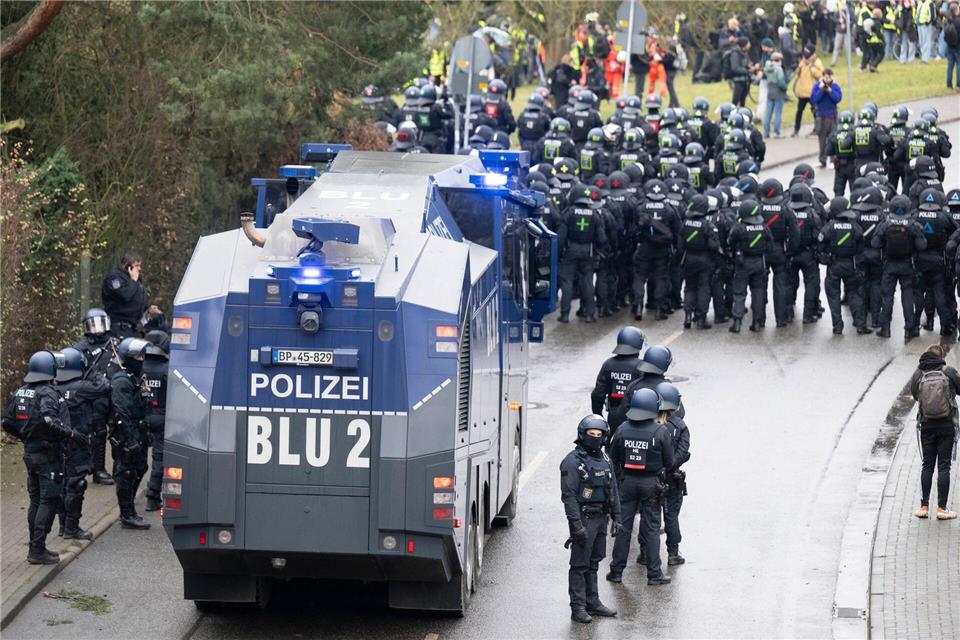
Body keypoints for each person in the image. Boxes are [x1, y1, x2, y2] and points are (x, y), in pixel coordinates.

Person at [2, 351, 88, 564]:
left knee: (36, 500)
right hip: (48, 455)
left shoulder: (21, 391)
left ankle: (36, 547)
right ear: (50, 369)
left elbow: (7, 422)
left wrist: (25, 436)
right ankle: (37, 549)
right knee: (48, 500)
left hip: (30, 453)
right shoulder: (48, 393)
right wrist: (72, 435)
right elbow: (51, 421)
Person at [606, 388, 675, 585]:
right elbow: (669, 462)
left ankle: (616, 572)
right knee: (651, 529)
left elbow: (612, 456)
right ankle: (654, 574)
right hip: (651, 484)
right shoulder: (660, 431)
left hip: (627, 483)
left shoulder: (622, 429)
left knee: (623, 527)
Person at [560, 414, 621, 624]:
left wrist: (617, 516)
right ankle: (577, 606)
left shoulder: (605, 460)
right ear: (582, 434)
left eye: (599, 434)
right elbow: (568, 497)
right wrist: (576, 525)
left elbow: (613, 488)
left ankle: (592, 602)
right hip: (584, 518)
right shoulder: (572, 462)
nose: (595, 437)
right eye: (591, 434)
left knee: (594, 562)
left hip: (601, 517)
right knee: (580, 565)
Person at [55, 347, 110, 540]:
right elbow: (105, 387)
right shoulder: (81, 387)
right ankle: (72, 528)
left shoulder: (53, 388)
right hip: (77, 443)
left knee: (63, 484)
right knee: (76, 484)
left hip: (59, 443)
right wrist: (94, 373)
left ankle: (63, 526)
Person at [909, 344, 959, 519]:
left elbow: (915, 395)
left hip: (926, 425)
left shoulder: (918, 373)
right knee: (944, 466)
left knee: (927, 465)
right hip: (947, 425)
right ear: (941, 356)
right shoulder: (948, 371)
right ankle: (941, 509)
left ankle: (923, 507)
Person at [110, 337, 153, 529]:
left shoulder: (136, 378)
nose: (142, 359)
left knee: (140, 468)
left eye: (143, 356)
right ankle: (126, 514)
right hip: (126, 434)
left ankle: (130, 510)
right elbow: (121, 412)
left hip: (139, 431)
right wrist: (129, 439)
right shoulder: (122, 381)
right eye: (138, 356)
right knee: (126, 473)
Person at [71, 308, 117, 486]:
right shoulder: (80, 348)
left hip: (114, 393)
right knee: (97, 433)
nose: (97, 328)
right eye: (93, 324)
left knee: (118, 431)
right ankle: (97, 469)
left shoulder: (115, 343)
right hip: (93, 396)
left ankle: (120, 469)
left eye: (100, 324)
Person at [874, 194, 928, 338]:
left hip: (889, 265)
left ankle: (885, 329)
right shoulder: (913, 224)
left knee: (887, 297)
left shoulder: (885, 224)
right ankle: (909, 329)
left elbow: (875, 243)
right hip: (907, 265)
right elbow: (922, 246)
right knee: (908, 296)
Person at [818, 197, 871, 334]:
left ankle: (837, 326)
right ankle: (860, 325)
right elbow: (861, 248)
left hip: (834, 265)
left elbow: (820, 247)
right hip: (851, 265)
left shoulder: (829, 227)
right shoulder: (855, 227)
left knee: (833, 296)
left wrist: (826, 259)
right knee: (854, 294)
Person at [558, 186, 606, 323]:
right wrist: (597, 251)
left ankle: (565, 315)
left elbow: (561, 237)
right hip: (588, 251)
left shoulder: (568, 212)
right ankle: (590, 314)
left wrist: (559, 254)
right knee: (587, 282)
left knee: (567, 282)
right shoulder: (595, 214)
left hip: (570, 250)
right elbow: (602, 238)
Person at [654, 382, 689, 566]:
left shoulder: (644, 423)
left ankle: (645, 552)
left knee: (649, 516)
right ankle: (673, 553)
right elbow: (682, 452)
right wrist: (671, 464)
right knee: (671, 515)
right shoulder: (680, 426)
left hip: (650, 477)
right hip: (671, 478)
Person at [728, 199, 774, 333]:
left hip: (742, 263)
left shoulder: (739, 227)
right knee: (758, 292)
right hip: (759, 262)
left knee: (739, 293)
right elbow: (770, 245)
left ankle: (737, 322)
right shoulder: (764, 227)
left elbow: (730, 242)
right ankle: (757, 323)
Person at [678, 194, 721, 328]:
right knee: (704, 288)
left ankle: (687, 316)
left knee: (689, 287)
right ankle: (701, 318)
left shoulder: (684, 223)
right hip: (705, 260)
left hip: (689, 259)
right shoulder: (708, 225)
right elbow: (714, 246)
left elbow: (680, 245)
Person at [101, 253, 162, 339]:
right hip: (118, 328)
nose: (139, 269)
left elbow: (137, 302)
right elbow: (124, 295)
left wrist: (148, 309)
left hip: (133, 329)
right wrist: (133, 281)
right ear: (128, 266)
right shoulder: (114, 277)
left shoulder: (137, 281)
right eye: (136, 266)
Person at [142, 331, 169, 512]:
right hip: (162, 418)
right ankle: (152, 496)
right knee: (159, 459)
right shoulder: (167, 369)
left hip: (141, 418)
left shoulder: (139, 366)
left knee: (134, 460)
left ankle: (127, 504)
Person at [809, 69, 842, 168]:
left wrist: (830, 91)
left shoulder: (835, 86)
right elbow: (814, 99)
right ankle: (822, 160)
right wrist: (821, 90)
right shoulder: (817, 86)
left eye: (829, 77)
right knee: (822, 140)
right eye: (825, 77)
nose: (827, 79)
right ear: (823, 77)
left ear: (831, 77)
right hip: (821, 116)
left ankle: (833, 160)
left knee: (833, 139)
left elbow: (838, 99)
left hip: (832, 116)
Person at [793, 45, 824, 137]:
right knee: (799, 111)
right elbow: (797, 73)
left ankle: (817, 129)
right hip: (802, 92)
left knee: (815, 111)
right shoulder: (803, 61)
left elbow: (820, 75)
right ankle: (796, 129)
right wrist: (799, 67)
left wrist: (811, 67)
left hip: (812, 92)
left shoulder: (817, 62)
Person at [763, 52, 788, 139]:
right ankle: (777, 133)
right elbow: (781, 82)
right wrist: (785, 88)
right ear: (779, 60)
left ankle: (766, 132)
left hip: (770, 91)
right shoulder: (779, 69)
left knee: (768, 113)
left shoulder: (767, 68)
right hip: (778, 92)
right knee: (778, 113)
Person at [728, 37, 754, 107]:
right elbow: (735, 68)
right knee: (735, 100)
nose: (749, 45)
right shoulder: (735, 54)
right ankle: (732, 112)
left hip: (745, 79)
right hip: (738, 80)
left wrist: (750, 66)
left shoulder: (745, 53)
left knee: (743, 99)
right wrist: (747, 71)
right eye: (748, 44)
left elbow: (747, 62)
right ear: (743, 45)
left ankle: (741, 111)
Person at [945, 1, 960, 89]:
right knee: (959, 65)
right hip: (958, 45)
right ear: (957, 10)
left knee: (950, 66)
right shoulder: (958, 21)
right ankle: (958, 84)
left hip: (949, 45)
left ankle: (949, 84)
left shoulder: (948, 21)